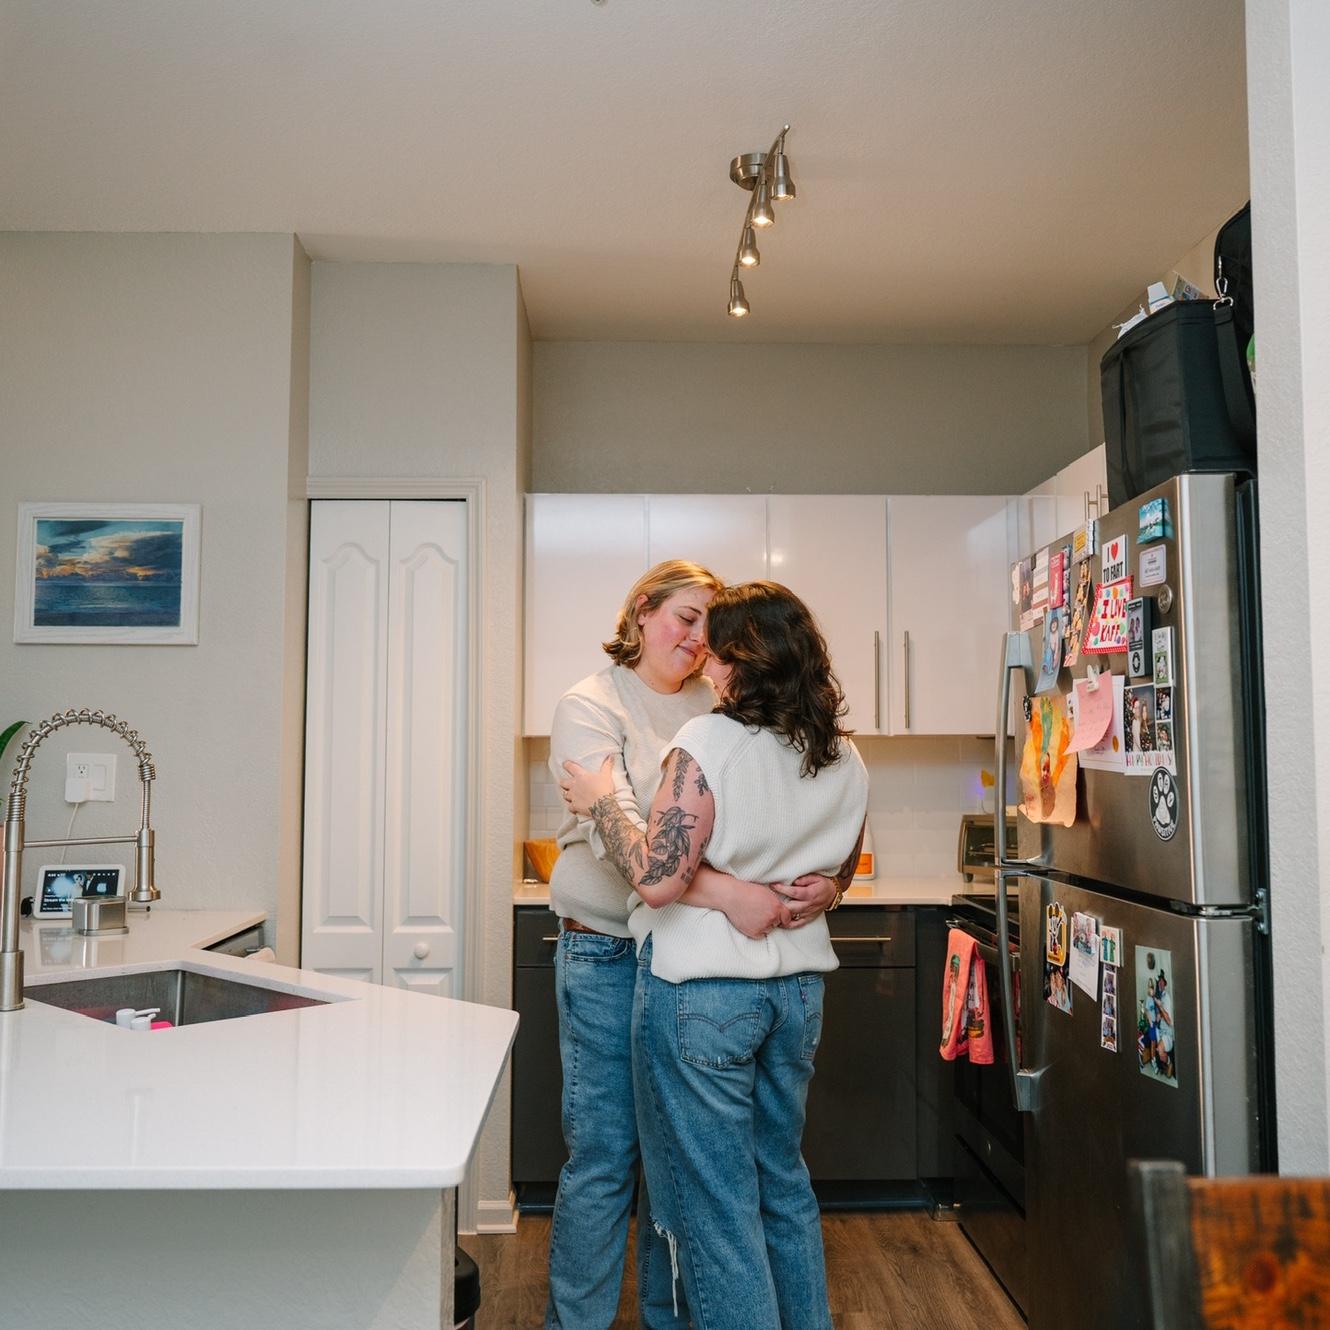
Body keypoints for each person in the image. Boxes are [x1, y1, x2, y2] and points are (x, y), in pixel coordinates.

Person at [563, 581, 868, 1330]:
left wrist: (602, 800)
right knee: (782, 1187)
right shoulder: (841, 751)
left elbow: (657, 878)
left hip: (706, 998)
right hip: (798, 995)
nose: (706, 659)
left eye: (718, 648)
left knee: (718, 1208)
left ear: (742, 659)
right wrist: (825, 891)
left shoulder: (707, 742)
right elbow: (841, 868)